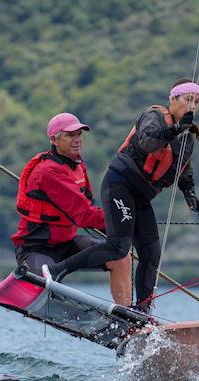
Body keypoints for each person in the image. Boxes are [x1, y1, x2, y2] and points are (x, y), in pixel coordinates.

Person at [44, 79, 199, 314]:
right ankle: (57, 270)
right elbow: (148, 142)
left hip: (141, 196)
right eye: (188, 100)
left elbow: (183, 169)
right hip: (121, 184)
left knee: (151, 253)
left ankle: (142, 310)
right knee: (119, 247)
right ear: (173, 100)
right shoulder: (155, 116)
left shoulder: (187, 137)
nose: (192, 106)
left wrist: (190, 195)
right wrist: (176, 129)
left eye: (197, 102)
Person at [11, 112, 132, 306]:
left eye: (79, 135)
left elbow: (89, 205)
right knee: (45, 284)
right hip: (37, 246)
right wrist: (122, 222)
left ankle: (128, 317)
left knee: (120, 256)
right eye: (70, 135)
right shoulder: (48, 171)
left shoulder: (77, 163)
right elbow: (84, 215)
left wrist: (118, 227)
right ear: (54, 139)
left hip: (67, 242)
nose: (77, 140)